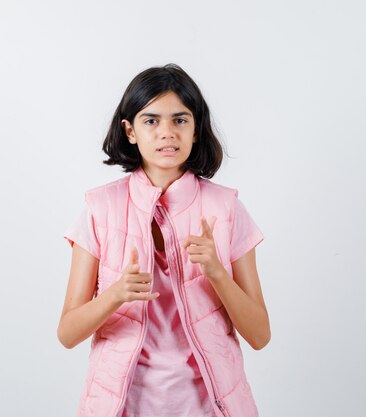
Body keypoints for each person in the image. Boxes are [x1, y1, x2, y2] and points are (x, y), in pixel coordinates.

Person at [57, 63, 270, 417]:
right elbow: (68, 333)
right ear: (130, 131)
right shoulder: (99, 208)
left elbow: (260, 335)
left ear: (197, 129)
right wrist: (117, 294)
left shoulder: (226, 207)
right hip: (123, 406)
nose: (167, 132)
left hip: (210, 407)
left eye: (180, 120)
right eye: (151, 120)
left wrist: (216, 271)